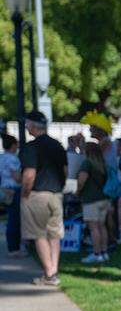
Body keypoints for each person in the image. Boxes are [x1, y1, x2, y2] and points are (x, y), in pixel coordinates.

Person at [19, 111, 68, 286]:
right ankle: (53, 269)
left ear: (32, 126)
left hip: (37, 194)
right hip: (56, 193)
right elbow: (65, 171)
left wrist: (25, 194)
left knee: (38, 234)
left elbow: (29, 174)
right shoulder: (58, 145)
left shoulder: (32, 148)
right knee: (54, 234)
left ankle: (49, 272)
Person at [76, 142, 111, 263]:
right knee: (102, 226)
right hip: (103, 198)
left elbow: (81, 181)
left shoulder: (87, 163)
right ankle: (104, 252)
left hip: (91, 199)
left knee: (93, 228)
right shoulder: (102, 164)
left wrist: (77, 191)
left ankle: (96, 253)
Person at [2, 132, 24, 257]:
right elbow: (16, 177)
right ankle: (14, 249)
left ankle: (13, 247)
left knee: (11, 218)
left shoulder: (2, 157)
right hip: (13, 189)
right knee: (14, 220)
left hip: (4, 189)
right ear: (13, 145)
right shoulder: (12, 159)